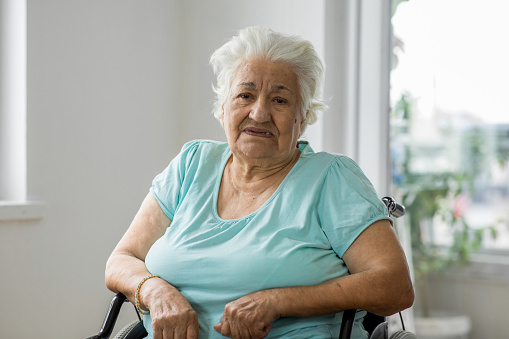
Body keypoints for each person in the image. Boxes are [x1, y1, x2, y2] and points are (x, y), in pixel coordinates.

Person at [105, 26, 414, 339]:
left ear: (302, 117)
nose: (259, 112)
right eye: (245, 95)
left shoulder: (332, 178)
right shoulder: (192, 164)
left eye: (279, 100)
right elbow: (122, 260)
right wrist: (154, 291)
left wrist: (280, 301)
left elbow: (394, 286)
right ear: (223, 108)